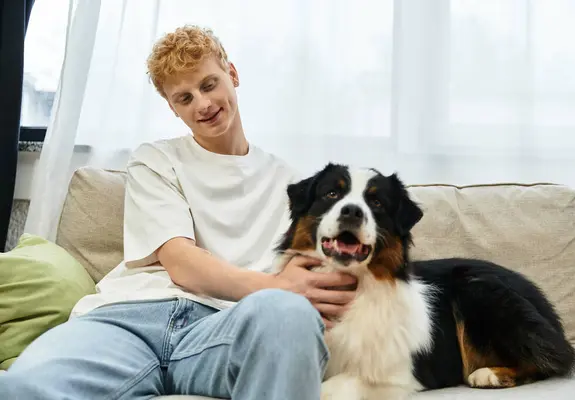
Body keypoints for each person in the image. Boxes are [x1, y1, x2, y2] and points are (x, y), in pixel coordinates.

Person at [0, 25, 357, 399]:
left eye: (208, 84)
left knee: (289, 316)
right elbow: (182, 263)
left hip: (221, 327)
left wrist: (296, 292)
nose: (202, 104)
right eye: (184, 97)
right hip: (126, 321)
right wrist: (279, 286)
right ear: (172, 108)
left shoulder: (295, 186)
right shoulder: (156, 159)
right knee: (20, 389)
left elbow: (318, 275)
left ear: (232, 74)